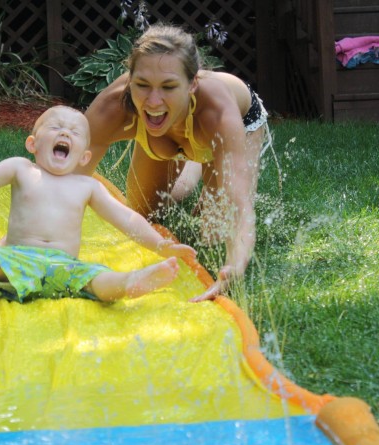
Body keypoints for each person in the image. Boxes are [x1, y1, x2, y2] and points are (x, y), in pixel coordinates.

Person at [0, 105, 196, 303]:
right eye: (55, 127)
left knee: (95, 277)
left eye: (75, 132)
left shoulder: (87, 187)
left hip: (64, 267)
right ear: (33, 144)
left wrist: (160, 245)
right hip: (17, 258)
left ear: (84, 157)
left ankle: (129, 282)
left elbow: (127, 219)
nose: (65, 132)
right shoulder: (21, 169)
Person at [79, 23, 272, 302]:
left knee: (214, 231)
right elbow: (63, 179)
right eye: (142, 85)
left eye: (168, 86)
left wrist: (236, 264)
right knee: (144, 211)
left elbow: (239, 203)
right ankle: (191, 162)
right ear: (129, 77)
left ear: (192, 83)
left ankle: (199, 157)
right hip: (163, 133)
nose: (153, 100)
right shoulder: (114, 106)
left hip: (227, 126)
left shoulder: (217, 114)